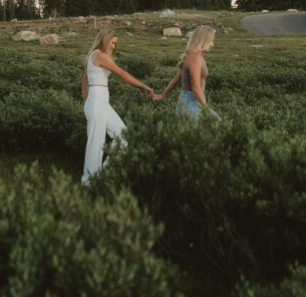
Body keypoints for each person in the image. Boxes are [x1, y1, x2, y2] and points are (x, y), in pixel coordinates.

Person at [81, 29, 157, 185]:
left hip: (100, 103)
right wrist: (144, 86)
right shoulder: (100, 55)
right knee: (96, 143)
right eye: (112, 42)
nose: (114, 46)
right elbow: (122, 74)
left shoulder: (93, 55)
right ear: (104, 40)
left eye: (116, 43)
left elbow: (84, 81)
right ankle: (89, 183)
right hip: (97, 102)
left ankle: (103, 175)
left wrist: (86, 103)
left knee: (122, 135)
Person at [157, 25, 220, 120]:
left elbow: (175, 80)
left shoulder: (195, 56)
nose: (212, 44)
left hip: (192, 101)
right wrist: (207, 108)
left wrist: (163, 95)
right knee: (217, 123)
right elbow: (195, 87)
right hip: (190, 103)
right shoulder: (194, 58)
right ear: (203, 41)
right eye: (211, 41)